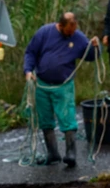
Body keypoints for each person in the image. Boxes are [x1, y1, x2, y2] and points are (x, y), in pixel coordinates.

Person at [24, 12, 100, 167]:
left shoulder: (77, 37)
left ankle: (71, 153)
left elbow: (90, 56)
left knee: (67, 118)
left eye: (73, 31)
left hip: (63, 85)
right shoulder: (44, 32)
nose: (71, 34)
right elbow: (30, 52)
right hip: (42, 84)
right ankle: (53, 153)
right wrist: (28, 70)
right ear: (60, 25)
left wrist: (96, 47)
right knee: (45, 119)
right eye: (68, 31)